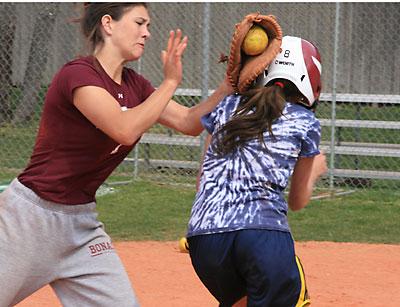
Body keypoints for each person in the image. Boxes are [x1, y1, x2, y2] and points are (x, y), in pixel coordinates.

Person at [0, 3, 233, 306]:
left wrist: (229, 85)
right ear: (108, 24)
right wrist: (170, 83)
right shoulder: (78, 75)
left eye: (148, 25)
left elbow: (188, 122)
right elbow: (123, 128)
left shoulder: (136, 85)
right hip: (28, 221)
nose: (147, 33)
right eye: (139, 23)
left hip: (81, 226)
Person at [186, 35, 328, 307]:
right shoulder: (305, 121)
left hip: (204, 241)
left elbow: (202, 180)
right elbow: (297, 201)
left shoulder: (226, 107)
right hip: (262, 237)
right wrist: (316, 170)